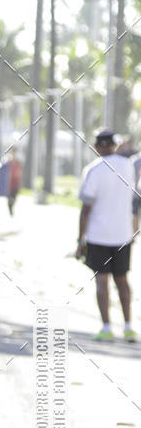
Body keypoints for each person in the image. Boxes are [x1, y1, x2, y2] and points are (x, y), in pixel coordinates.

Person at [75, 127, 136, 342]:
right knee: (122, 280)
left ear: (96, 146)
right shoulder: (128, 166)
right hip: (123, 234)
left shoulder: (93, 170)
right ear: (115, 145)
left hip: (98, 235)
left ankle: (107, 328)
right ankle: (128, 326)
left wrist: (80, 241)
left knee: (102, 281)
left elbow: (86, 210)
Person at [7, 149, 22, 216]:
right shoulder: (8, 162)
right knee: (9, 198)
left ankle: (11, 207)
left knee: (14, 197)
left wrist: (20, 182)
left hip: (16, 182)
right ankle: (10, 209)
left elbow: (20, 172)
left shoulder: (18, 162)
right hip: (9, 183)